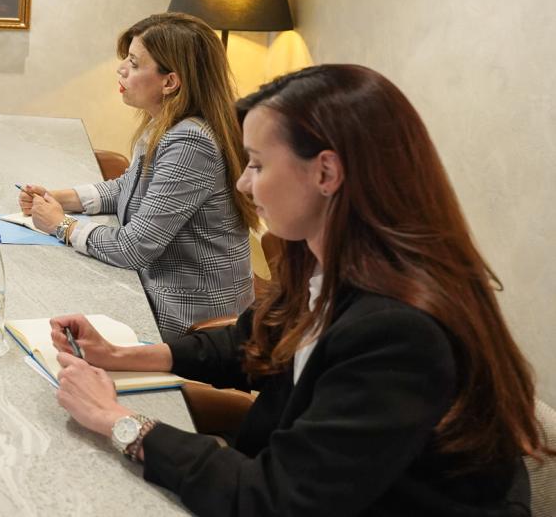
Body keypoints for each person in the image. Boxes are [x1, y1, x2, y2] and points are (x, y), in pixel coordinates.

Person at [47, 64, 546, 515]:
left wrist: (117, 421)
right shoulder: (330, 265)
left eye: (257, 165)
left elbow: (275, 500)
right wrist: (123, 355)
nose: (242, 185)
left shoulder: (399, 331)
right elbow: (253, 340)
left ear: (326, 172)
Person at [20, 13, 257, 339]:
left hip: (188, 317)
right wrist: (62, 198)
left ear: (170, 82)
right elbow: (130, 186)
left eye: (133, 63)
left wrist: (63, 226)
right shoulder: (168, 123)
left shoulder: (191, 141)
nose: (121, 69)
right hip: (159, 289)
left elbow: (134, 248)